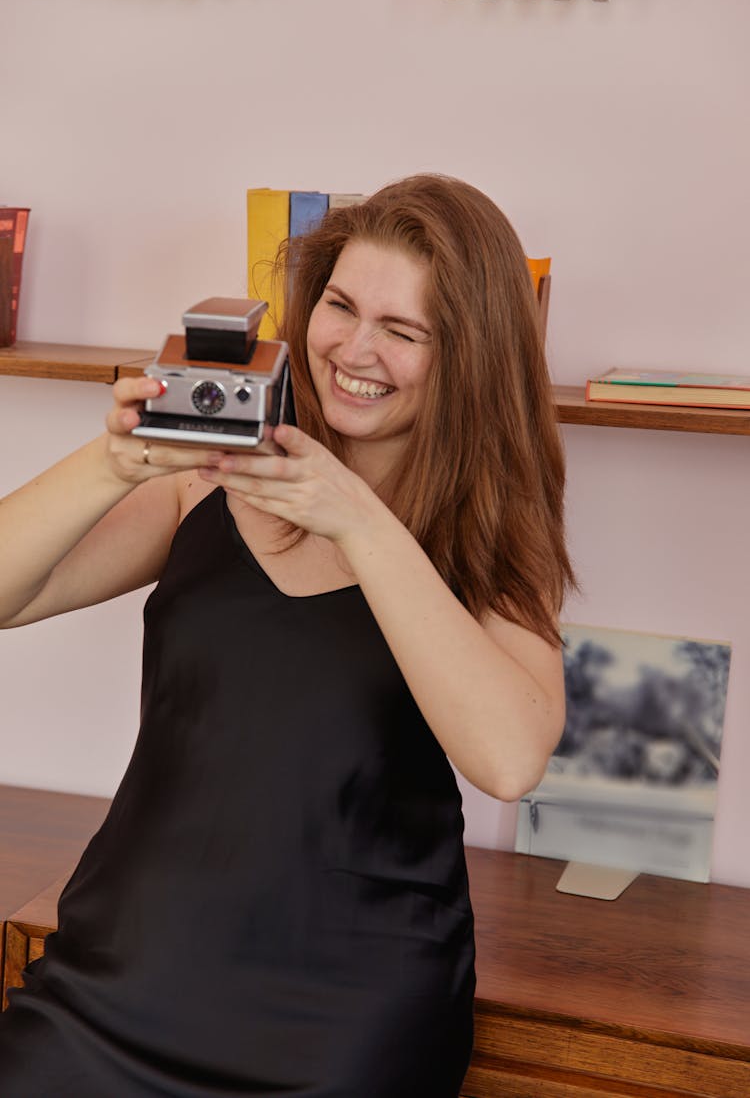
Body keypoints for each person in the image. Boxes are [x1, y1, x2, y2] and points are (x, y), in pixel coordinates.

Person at [0, 173, 575, 1097]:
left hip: (340, 1026)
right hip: (117, 983)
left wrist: (358, 519)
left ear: (467, 355)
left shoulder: (489, 533)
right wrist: (114, 462)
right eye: (341, 305)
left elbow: (509, 758)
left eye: (404, 329)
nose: (355, 346)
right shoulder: (213, 477)